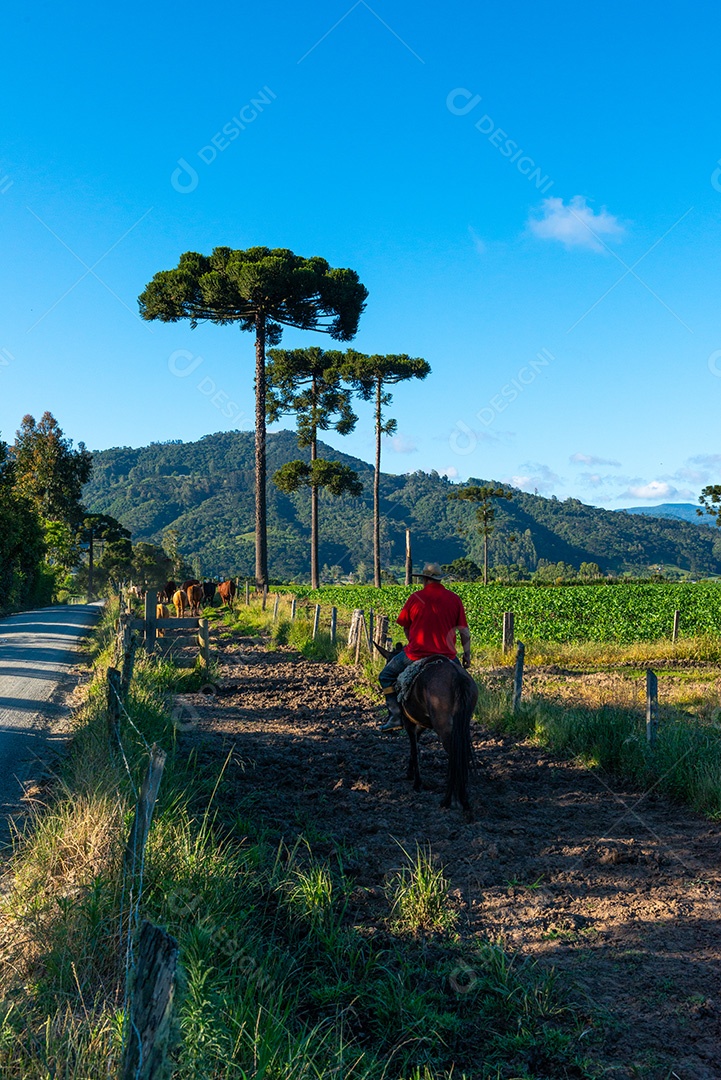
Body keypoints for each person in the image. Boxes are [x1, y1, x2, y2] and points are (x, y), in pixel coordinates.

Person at [378, 561, 471, 731]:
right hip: (448, 655)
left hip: (417, 653)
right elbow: (464, 631)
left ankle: (396, 716)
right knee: (465, 683)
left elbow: (406, 626)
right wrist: (467, 655)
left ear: (425, 579)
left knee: (385, 676)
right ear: (439, 580)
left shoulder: (415, 598)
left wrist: (413, 641)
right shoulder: (454, 599)